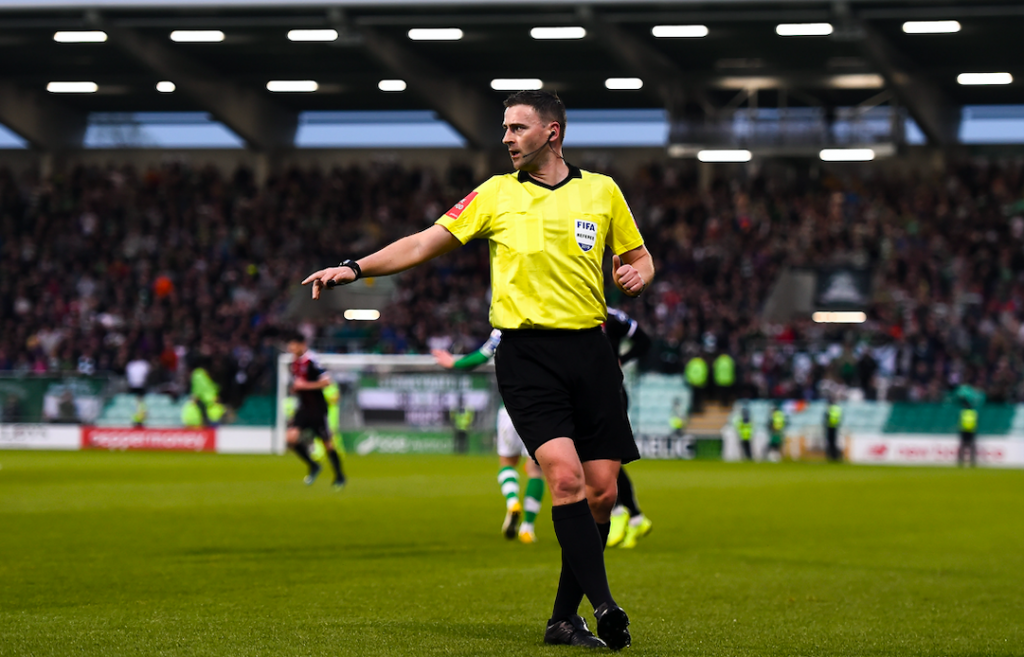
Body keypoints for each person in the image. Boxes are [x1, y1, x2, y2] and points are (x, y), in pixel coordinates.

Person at [303, 90, 652, 650]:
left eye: (518, 128)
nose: (506, 137)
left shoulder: (602, 191)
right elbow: (424, 242)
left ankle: (563, 620)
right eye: (505, 128)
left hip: (592, 352)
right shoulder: (495, 194)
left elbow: (639, 257)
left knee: (603, 493)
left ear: (552, 132)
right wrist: (354, 268)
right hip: (527, 355)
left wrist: (638, 275)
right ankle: (606, 605)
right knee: (565, 479)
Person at [433, 330, 546, 545]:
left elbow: (483, 355)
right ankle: (528, 528)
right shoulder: (547, 324)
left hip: (509, 410)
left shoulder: (504, 327)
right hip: (540, 411)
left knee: (507, 463)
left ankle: (512, 502)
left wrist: (454, 363)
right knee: (535, 470)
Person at [285, 332, 346, 489]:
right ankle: (314, 465)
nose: (291, 348)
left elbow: (326, 381)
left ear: (302, 345)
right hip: (303, 408)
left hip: (317, 409)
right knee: (290, 438)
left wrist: (305, 386)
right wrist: (296, 389)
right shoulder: (294, 363)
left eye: (293, 345)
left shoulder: (312, 361)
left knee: (328, 444)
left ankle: (339, 476)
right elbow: (299, 384)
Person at [684, 348, 708, 414]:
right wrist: (702, 381)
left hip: (693, 383)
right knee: (699, 397)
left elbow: (688, 372)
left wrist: (690, 381)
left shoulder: (691, 363)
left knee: (693, 398)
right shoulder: (702, 363)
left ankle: (694, 409)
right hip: (700, 383)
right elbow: (704, 373)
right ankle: (699, 408)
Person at [958, 398, 978, 467]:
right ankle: (972, 461)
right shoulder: (974, 412)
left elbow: (960, 421)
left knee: (963, 446)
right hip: (971, 431)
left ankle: (961, 461)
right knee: (971, 447)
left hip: (964, 431)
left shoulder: (963, 412)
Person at [824, 397, 843, 462]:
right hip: (836, 427)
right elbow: (840, 417)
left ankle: (832, 456)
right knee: (835, 442)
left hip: (830, 427)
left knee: (831, 442)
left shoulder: (830, 408)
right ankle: (836, 456)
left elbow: (827, 417)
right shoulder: (838, 408)